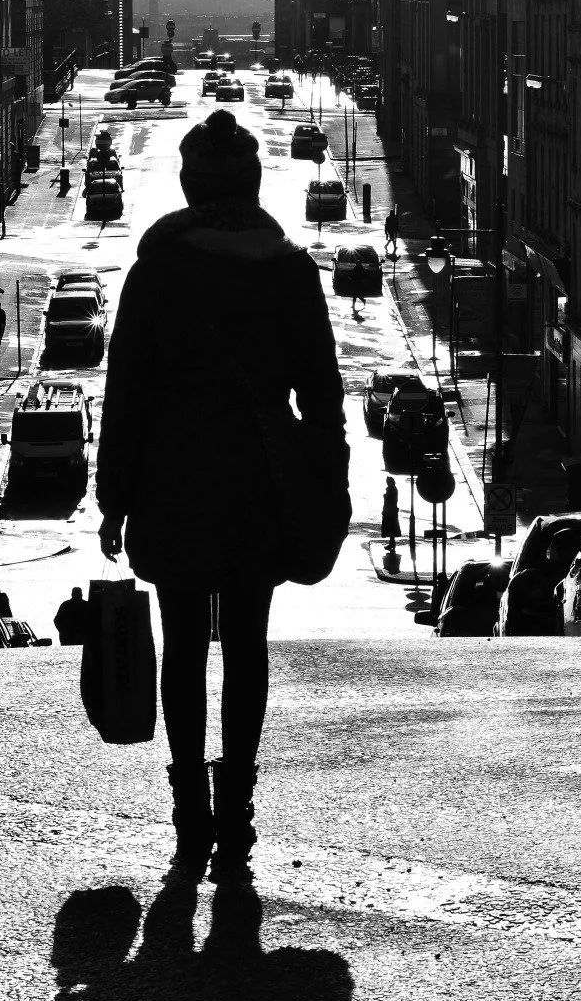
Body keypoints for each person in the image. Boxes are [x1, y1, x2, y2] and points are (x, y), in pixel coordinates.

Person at [96, 107, 346, 884]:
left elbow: (127, 391)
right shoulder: (287, 268)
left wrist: (114, 495)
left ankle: (188, 812)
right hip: (258, 481)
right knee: (245, 643)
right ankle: (234, 807)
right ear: (254, 181)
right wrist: (324, 476)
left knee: (181, 646)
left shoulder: (156, 270)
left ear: (186, 183)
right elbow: (324, 394)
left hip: (174, 478)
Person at [381, 476, 401, 560]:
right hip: (391, 510)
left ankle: (392, 544)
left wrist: (385, 496)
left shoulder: (391, 489)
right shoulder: (392, 489)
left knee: (391, 527)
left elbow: (390, 500)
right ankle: (391, 543)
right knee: (391, 527)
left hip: (390, 510)